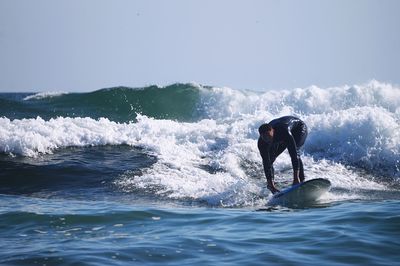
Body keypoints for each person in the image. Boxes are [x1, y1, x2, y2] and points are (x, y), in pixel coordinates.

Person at [258, 116, 308, 194]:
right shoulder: (262, 142)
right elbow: (266, 162)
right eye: (264, 137)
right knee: (270, 159)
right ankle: (271, 186)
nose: (267, 139)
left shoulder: (284, 132)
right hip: (280, 134)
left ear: (272, 131)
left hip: (298, 129)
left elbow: (294, 156)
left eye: (268, 135)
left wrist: (295, 178)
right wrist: (270, 183)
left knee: (295, 151)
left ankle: (300, 180)